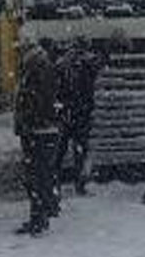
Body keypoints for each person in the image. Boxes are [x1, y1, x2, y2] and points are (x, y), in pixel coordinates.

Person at [14, 38, 61, 236]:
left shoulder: (36, 69)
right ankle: (43, 213)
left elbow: (36, 101)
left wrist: (28, 121)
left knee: (37, 176)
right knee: (42, 174)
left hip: (37, 131)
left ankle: (39, 217)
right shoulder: (41, 67)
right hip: (42, 130)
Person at [55, 36, 104, 198]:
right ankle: (79, 185)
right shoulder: (88, 63)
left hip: (65, 112)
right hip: (81, 113)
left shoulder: (62, 63)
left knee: (59, 152)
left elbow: (57, 86)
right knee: (80, 151)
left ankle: (55, 185)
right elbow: (100, 63)